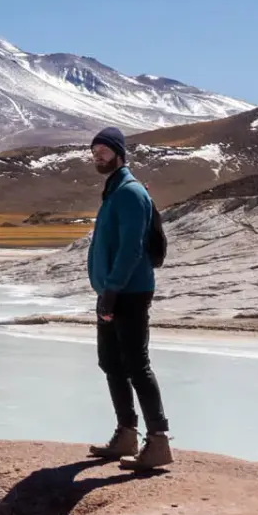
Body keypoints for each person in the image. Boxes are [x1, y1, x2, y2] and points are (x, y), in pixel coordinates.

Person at [84, 126, 173, 469]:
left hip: (129, 292)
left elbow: (131, 248)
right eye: (94, 152)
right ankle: (126, 433)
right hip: (112, 291)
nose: (98, 157)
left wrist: (112, 290)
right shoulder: (113, 192)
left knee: (136, 364)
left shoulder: (130, 193)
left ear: (119, 153)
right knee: (111, 363)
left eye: (103, 151)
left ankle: (159, 441)